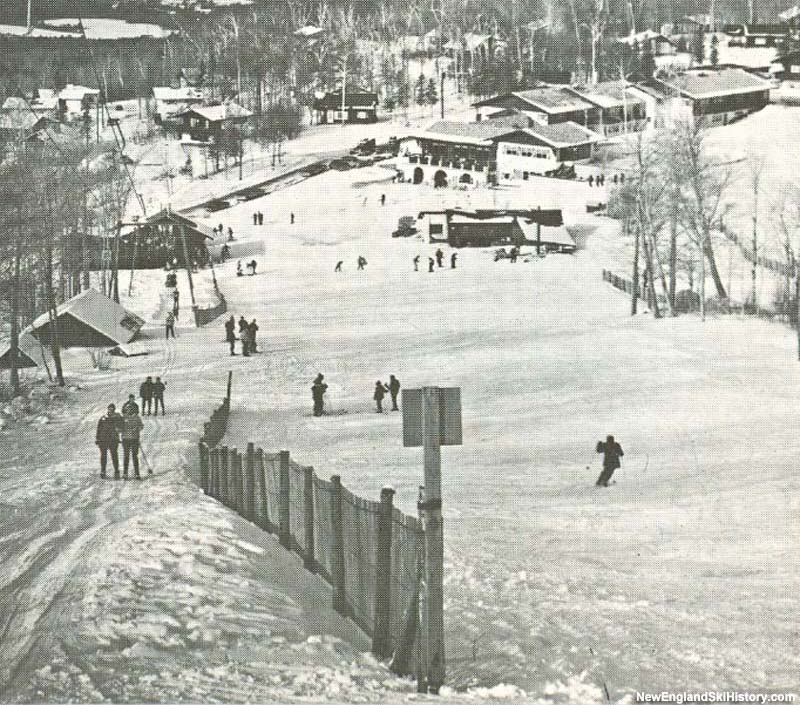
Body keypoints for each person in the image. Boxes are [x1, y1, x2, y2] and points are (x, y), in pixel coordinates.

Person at [96, 403, 122, 479]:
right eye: (109, 409)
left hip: (113, 440)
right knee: (103, 456)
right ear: (107, 409)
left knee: (114, 455)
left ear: (114, 410)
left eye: (112, 409)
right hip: (103, 439)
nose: (110, 410)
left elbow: (121, 426)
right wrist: (97, 438)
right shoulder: (103, 418)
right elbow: (99, 429)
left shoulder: (117, 417)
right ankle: (103, 471)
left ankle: (116, 471)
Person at [121, 406, 145, 480]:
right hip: (125, 439)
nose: (129, 411)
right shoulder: (123, 418)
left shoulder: (137, 418)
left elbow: (141, 426)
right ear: (126, 411)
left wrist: (137, 428)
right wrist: (120, 429)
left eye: (131, 410)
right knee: (126, 456)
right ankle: (125, 473)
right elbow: (119, 427)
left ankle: (137, 473)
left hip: (134, 439)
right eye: (128, 410)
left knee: (135, 456)